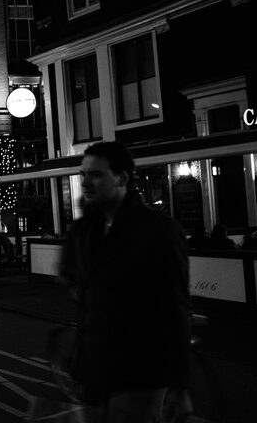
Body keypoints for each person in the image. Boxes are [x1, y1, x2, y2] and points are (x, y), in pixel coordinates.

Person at [60, 141, 191, 422]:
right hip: (92, 371)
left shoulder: (159, 231)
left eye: (95, 175)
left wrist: (180, 385)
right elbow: (75, 284)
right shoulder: (83, 230)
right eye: (83, 175)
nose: (85, 183)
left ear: (121, 179)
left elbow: (175, 308)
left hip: (138, 371)